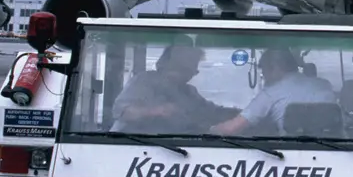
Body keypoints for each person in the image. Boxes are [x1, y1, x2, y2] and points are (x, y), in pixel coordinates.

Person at [209, 47, 339, 136]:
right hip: (336, 148)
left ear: (276, 67)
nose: (264, 76)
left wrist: (207, 130)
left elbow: (232, 128)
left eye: (264, 70)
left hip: (292, 151)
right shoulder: (323, 84)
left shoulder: (270, 93)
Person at [110, 44, 236, 133]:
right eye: (183, 69)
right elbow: (122, 112)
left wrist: (246, 115)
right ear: (164, 64)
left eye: (192, 71)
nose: (188, 75)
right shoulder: (143, 82)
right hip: (133, 146)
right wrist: (156, 111)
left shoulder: (188, 92)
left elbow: (212, 112)